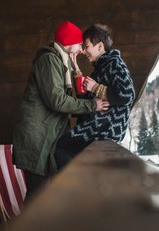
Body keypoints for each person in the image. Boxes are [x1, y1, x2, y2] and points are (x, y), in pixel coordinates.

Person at [13, 21, 109, 200]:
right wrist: (92, 106)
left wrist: (75, 70)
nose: (81, 50)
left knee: (50, 195)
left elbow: (65, 99)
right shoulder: (49, 60)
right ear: (68, 42)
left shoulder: (60, 62)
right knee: (38, 197)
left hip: (48, 138)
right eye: (79, 45)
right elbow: (57, 101)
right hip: (37, 140)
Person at [55, 23, 135, 169]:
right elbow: (87, 101)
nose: (84, 51)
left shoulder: (115, 63)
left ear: (99, 46)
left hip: (105, 131)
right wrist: (76, 71)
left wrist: (96, 88)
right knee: (63, 147)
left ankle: (74, 187)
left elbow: (127, 94)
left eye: (86, 47)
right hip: (97, 128)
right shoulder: (101, 68)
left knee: (62, 147)